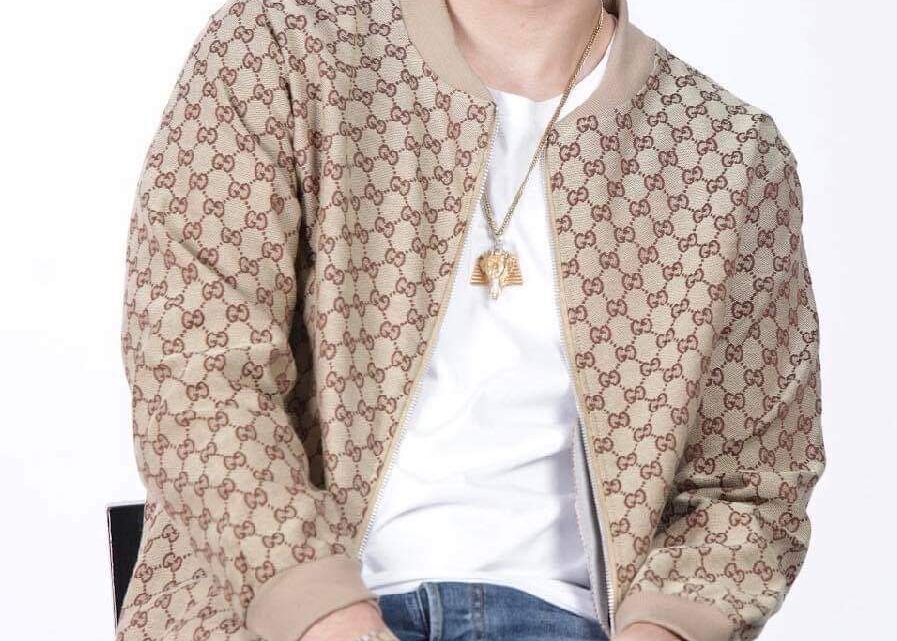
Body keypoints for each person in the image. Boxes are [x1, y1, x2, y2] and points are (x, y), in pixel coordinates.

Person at [116, 0, 826, 640]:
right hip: (280, 617)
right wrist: (328, 619)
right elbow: (196, 370)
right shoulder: (280, 48)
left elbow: (753, 484)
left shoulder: (726, 157)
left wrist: (664, 630)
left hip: (575, 620)